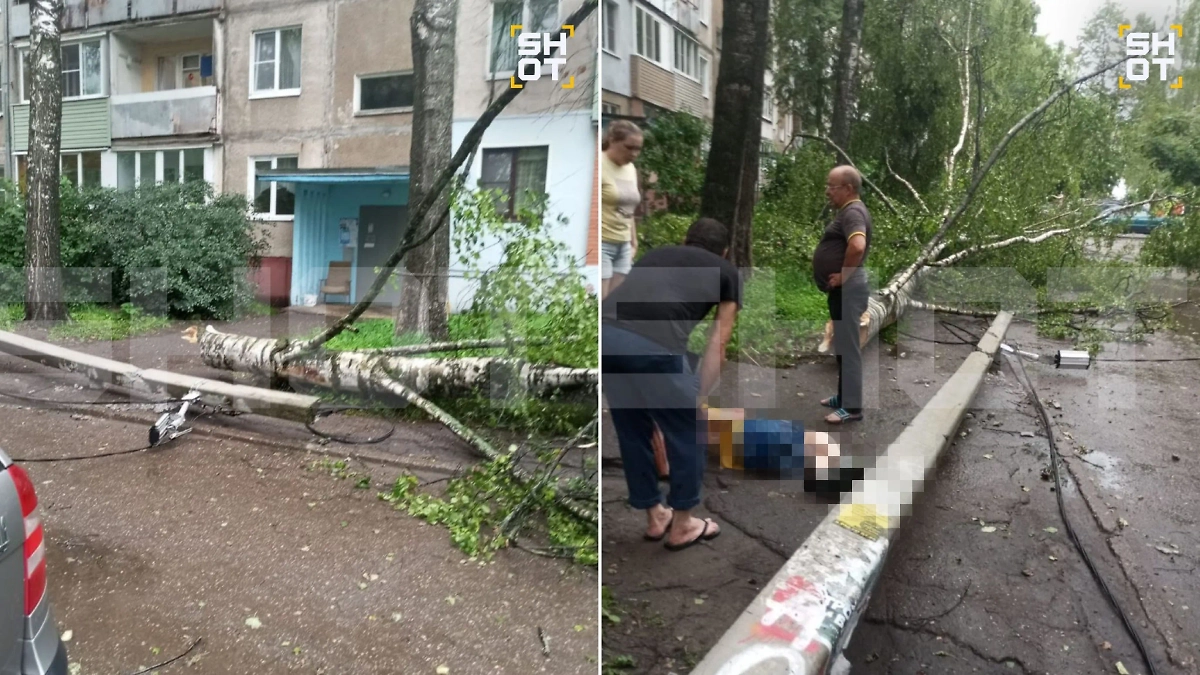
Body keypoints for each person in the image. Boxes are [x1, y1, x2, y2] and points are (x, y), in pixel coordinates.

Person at [602, 217, 741, 551]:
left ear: (685, 239)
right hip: (655, 348)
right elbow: (718, 345)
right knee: (688, 429)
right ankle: (683, 525)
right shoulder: (726, 271)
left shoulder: (656, 255)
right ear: (724, 251)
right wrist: (699, 395)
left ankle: (655, 517)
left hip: (606, 338)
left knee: (633, 430)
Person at [813, 165, 872, 424]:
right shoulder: (850, 212)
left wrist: (843, 275)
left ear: (848, 189)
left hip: (849, 289)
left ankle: (852, 407)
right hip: (844, 290)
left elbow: (857, 246)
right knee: (842, 344)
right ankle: (843, 395)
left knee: (848, 348)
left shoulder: (853, 212)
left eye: (832, 186)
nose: (828, 191)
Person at [600, 120, 643, 298]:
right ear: (612, 140)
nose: (634, 154)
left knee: (613, 307)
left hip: (624, 245)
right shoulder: (600, 164)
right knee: (601, 304)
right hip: (603, 243)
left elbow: (628, 207)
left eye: (638, 149)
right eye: (629, 147)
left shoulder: (631, 169)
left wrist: (633, 240)